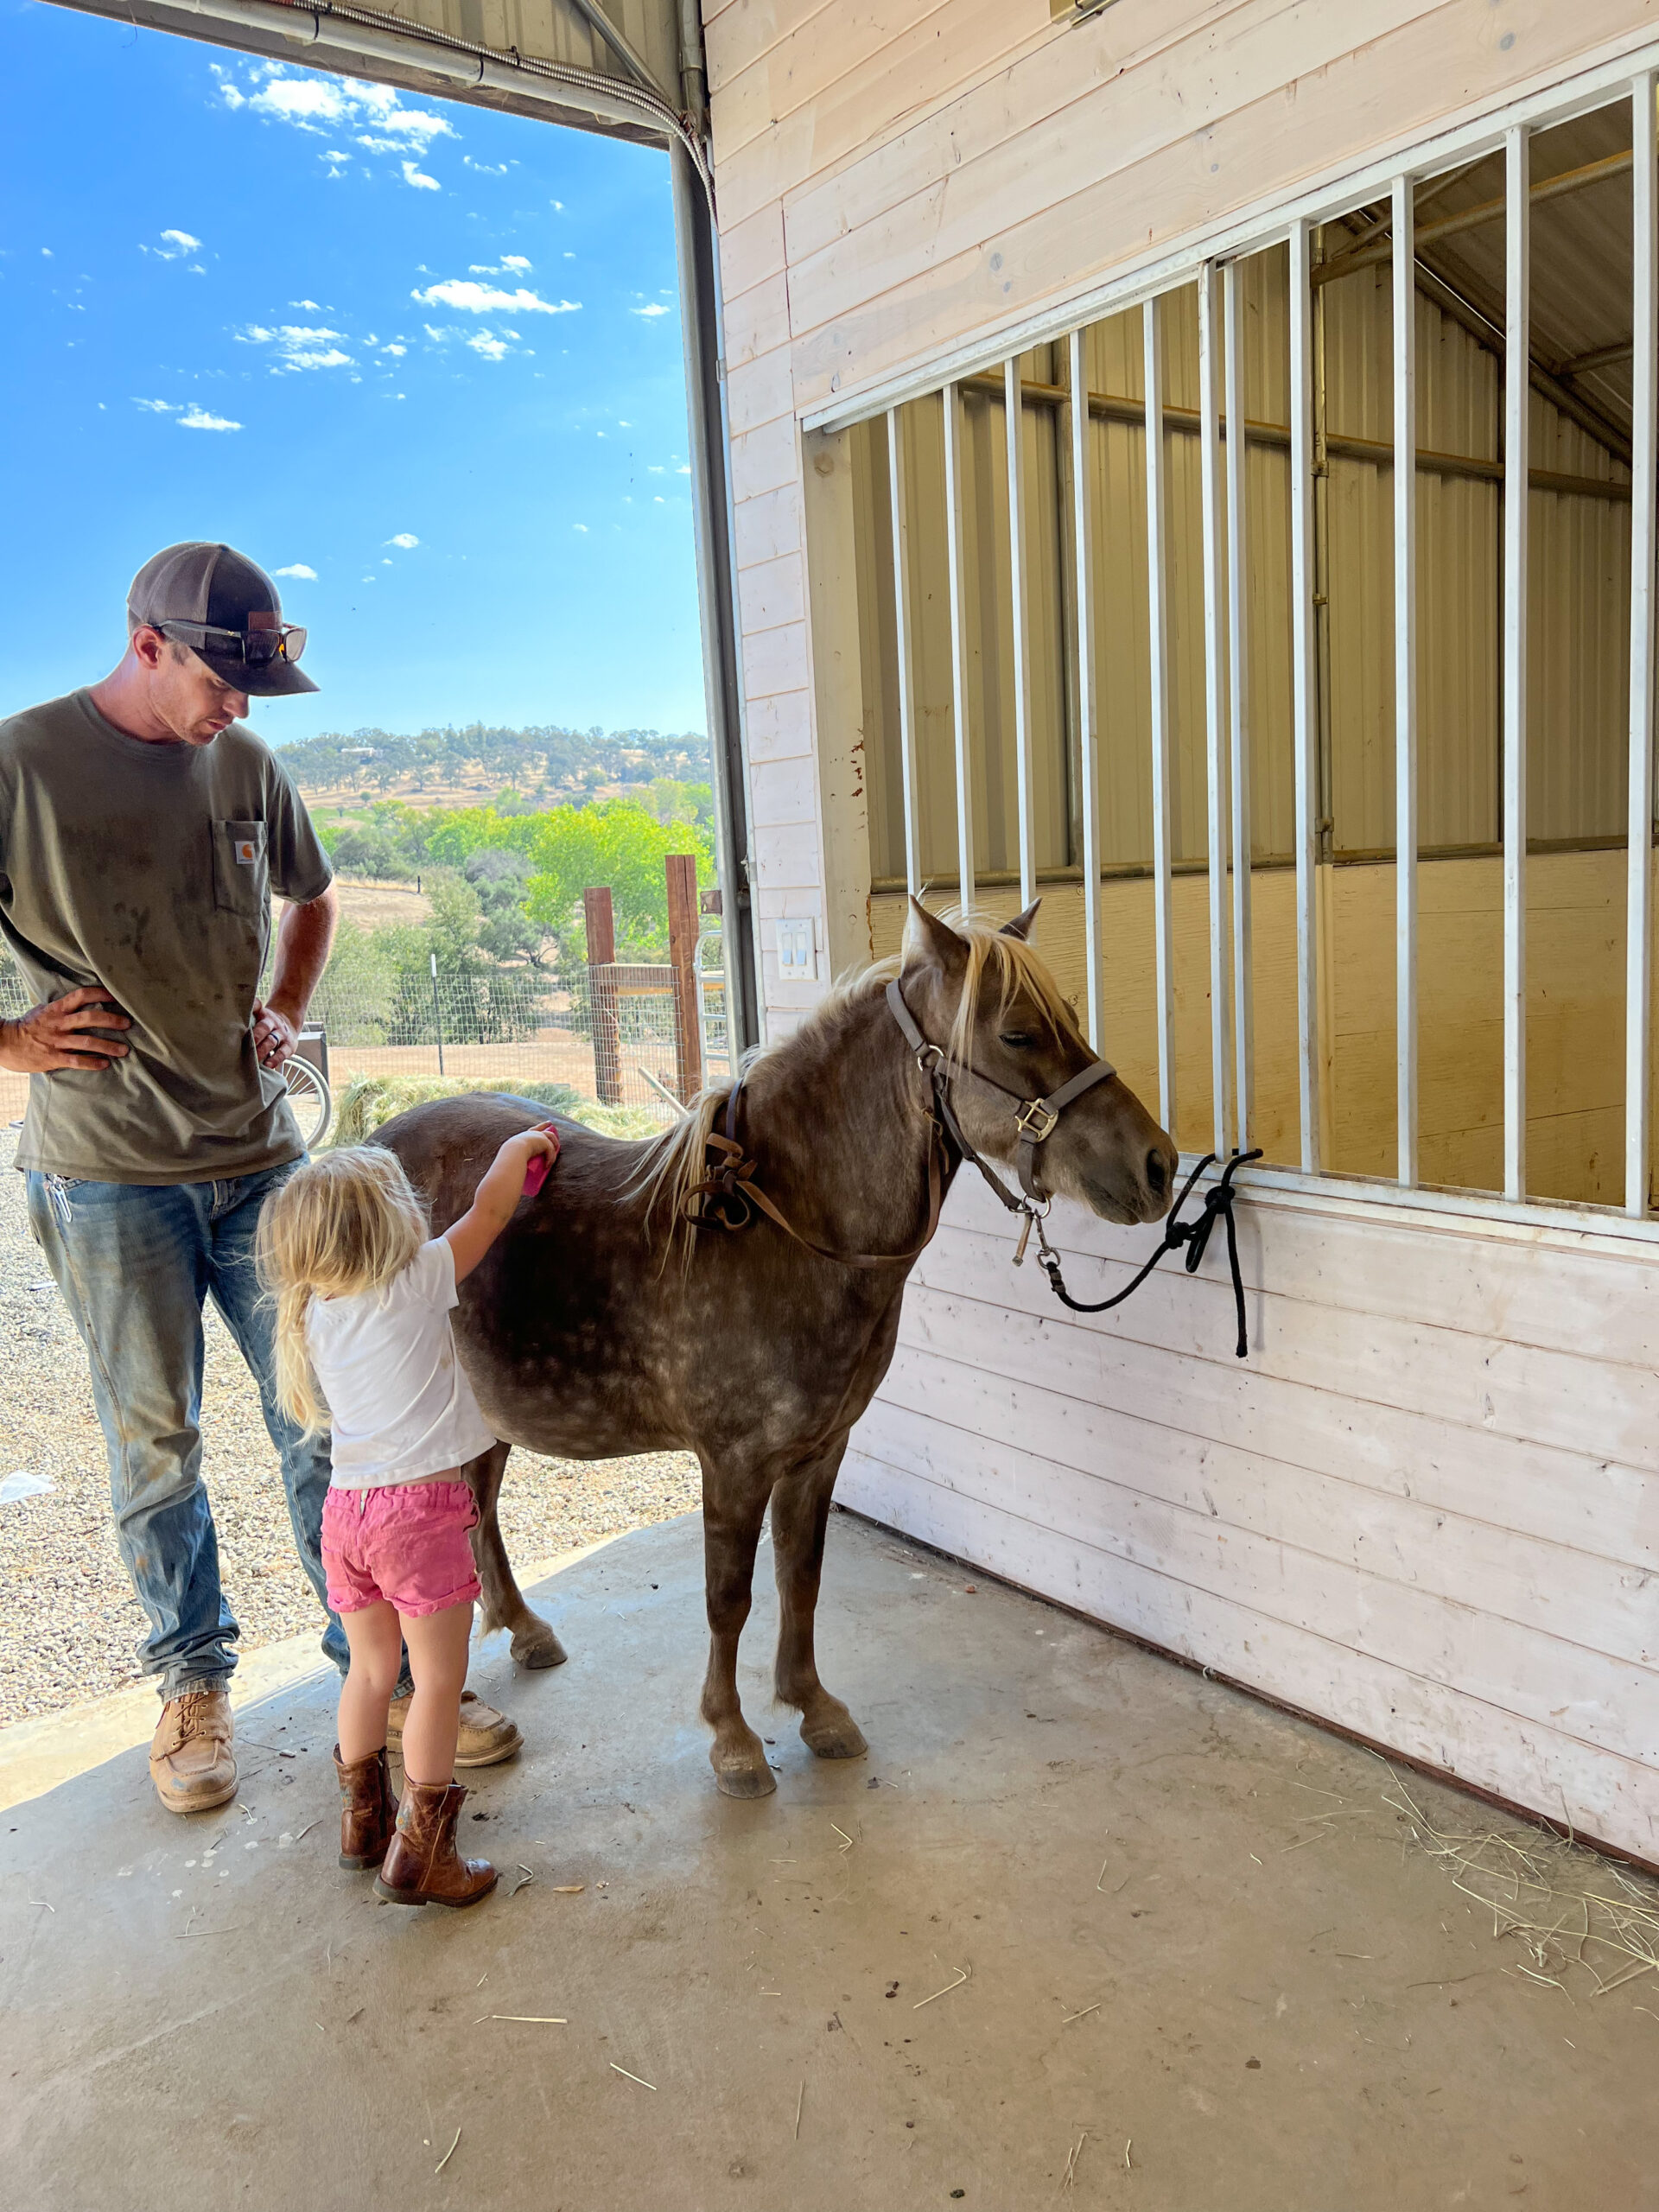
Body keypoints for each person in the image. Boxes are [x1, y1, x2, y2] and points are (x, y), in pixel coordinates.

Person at [0, 541, 522, 1815]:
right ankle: (191, 1686)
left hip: (262, 1166)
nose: (237, 709)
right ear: (147, 646)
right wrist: (10, 1041)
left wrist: (286, 1001)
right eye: (221, 680)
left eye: (252, 686)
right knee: (157, 1439)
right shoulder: (19, 766)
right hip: (106, 1173)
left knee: (328, 1423)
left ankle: (380, 1668)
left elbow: (318, 897)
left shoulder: (243, 764)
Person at [257, 1128, 558, 1906]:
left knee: (369, 1671)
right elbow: (489, 1215)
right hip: (417, 1517)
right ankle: (425, 1855)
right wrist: (520, 1147)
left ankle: (364, 1826)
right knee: (436, 1684)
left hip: (346, 1516)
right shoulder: (417, 1278)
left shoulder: (313, 1314)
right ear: (389, 1223)